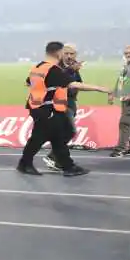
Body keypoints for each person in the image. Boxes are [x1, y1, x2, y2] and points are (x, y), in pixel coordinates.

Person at [17, 42, 89, 177]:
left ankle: (65, 165)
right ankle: (63, 164)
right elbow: (71, 83)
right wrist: (102, 89)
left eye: (71, 53)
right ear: (59, 53)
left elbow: (75, 83)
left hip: (54, 105)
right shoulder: (53, 67)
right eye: (66, 53)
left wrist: (73, 71)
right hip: (50, 107)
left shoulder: (45, 67)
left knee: (54, 136)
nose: (68, 56)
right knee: (56, 134)